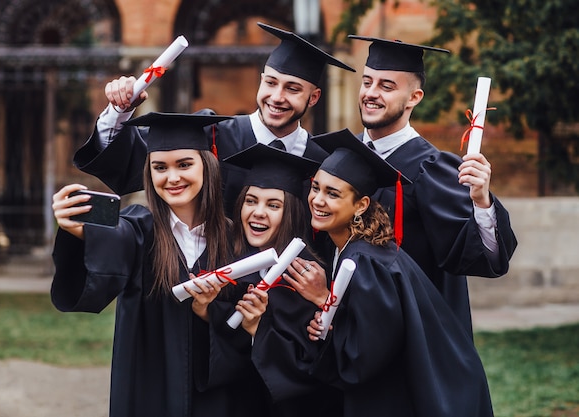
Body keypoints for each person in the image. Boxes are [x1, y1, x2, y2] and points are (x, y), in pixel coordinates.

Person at [50, 112, 263, 417]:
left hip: (219, 400)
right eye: (159, 167)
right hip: (149, 395)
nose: (172, 177)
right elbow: (110, 238)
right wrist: (76, 227)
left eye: (184, 164)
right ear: (148, 173)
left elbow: (245, 340)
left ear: (208, 165)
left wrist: (208, 312)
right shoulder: (138, 229)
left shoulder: (237, 242)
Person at [305, 128, 494, 417]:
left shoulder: (366, 265)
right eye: (316, 187)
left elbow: (361, 358)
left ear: (361, 205)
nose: (318, 200)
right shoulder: (364, 249)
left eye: (333, 194)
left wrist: (323, 301)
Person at [74, 22, 355, 216]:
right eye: (271, 83)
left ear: (314, 97)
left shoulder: (324, 162)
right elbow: (134, 163)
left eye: (292, 89)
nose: (277, 96)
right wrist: (120, 110)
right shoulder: (210, 135)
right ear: (261, 81)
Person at [347, 36, 518, 333]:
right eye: (367, 82)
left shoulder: (430, 168)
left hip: (408, 331)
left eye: (386, 86)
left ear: (414, 97)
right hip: (346, 327)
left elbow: (482, 258)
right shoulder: (343, 157)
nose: (371, 93)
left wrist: (481, 202)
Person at [199, 143, 343, 417]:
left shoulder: (307, 278)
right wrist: (205, 310)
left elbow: (315, 368)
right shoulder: (227, 267)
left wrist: (257, 329)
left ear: (291, 213)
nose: (258, 212)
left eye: (273, 205)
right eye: (250, 201)